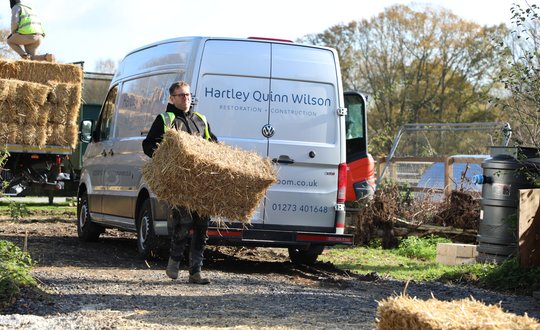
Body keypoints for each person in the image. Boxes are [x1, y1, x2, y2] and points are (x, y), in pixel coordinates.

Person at [143, 81, 218, 285]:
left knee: (202, 227)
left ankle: (196, 272)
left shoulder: (200, 120)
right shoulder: (165, 119)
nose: (186, 98)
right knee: (183, 223)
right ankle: (174, 262)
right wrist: (164, 160)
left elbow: (214, 145)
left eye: (188, 95)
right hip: (179, 183)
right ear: (172, 98)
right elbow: (148, 145)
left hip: (201, 183)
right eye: (181, 95)